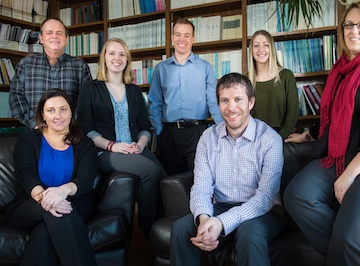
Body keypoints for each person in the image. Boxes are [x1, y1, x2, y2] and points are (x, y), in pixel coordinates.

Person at [283, 1, 360, 265]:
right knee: (296, 195)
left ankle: (354, 247)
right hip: (340, 156)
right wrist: (309, 135)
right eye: (349, 24)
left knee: (348, 239)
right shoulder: (339, 72)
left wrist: (348, 175)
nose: (354, 30)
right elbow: (336, 120)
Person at [170, 73, 285, 266]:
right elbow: (201, 187)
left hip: (264, 211)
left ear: (251, 102)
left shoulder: (270, 139)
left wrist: (222, 222)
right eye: (225, 100)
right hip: (220, 205)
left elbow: (265, 197)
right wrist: (205, 220)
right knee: (181, 229)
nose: (231, 107)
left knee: (250, 233)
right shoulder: (208, 138)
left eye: (238, 99)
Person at [77, 38, 166, 239]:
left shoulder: (134, 91)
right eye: (112, 53)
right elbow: (85, 129)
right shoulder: (90, 88)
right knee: (150, 170)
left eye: (121, 54)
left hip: (134, 149)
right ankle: (149, 230)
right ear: (104, 58)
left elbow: (145, 127)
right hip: (103, 152)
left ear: (127, 60)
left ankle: (167, 228)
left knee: (165, 177)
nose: (117, 58)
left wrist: (140, 145)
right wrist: (112, 145)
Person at [4, 89, 98, 266]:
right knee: (61, 212)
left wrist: (62, 191)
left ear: (72, 112)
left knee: (45, 232)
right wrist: (46, 198)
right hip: (31, 203)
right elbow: (25, 174)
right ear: (42, 114)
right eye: (51, 110)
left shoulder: (85, 144)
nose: (58, 116)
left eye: (63, 109)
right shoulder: (29, 139)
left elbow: (86, 178)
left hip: (75, 201)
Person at [148, 17, 223, 175]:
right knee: (172, 184)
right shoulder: (161, 69)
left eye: (187, 35)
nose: (182, 39)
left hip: (199, 133)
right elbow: (154, 103)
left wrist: (224, 128)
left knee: (200, 180)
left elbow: (213, 102)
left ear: (193, 39)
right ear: (172, 38)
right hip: (169, 134)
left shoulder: (205, 68)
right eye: (178, 34)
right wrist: (160, 131)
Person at [9, 17, 92, 129]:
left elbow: (87, 101)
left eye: (59, 33)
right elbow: (15, 97)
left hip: (70, 133)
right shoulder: (26, 64)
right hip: (35, 133)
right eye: (49, 33)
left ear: (66, 39)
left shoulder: (80, 66)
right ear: (41, 38)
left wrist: (67, 123)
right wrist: (36, 123)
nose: (54, 36)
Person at [248, 30, 298, 139]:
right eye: (256, 45)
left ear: (272, 49)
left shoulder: (286, 76)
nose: (261, 50)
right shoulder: (246, 81)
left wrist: (279, 139)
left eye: (266, 45)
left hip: (281, 137)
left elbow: (292, 112)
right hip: (254, 140)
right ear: (251, 50)